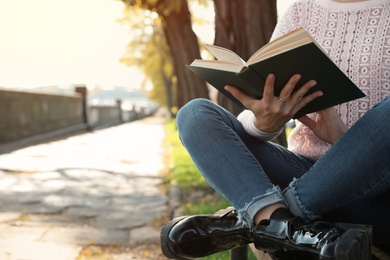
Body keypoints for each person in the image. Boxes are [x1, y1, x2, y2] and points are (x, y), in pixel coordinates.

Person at [161, 0, 390, 259]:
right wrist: (264, 124)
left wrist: (343, 139)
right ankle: (280, 222)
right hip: (303, 173)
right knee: (195, 114)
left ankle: (263, 222)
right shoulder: (302, 10)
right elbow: (262, 91)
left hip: (377, 197)